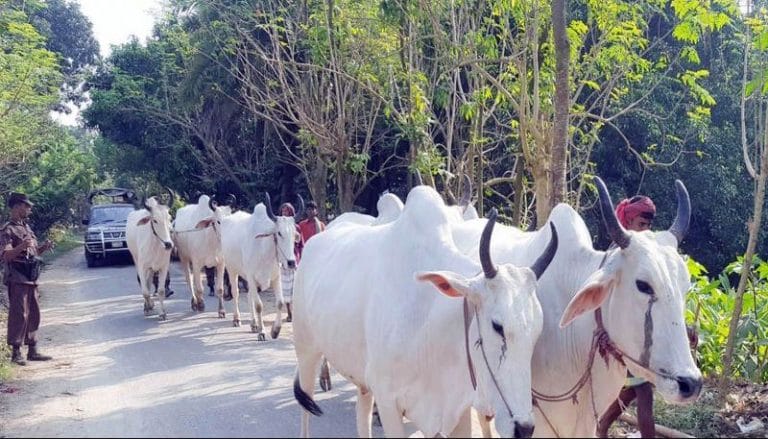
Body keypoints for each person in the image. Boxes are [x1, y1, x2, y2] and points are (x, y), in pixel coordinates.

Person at [597, 194, 698, 438]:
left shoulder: (652, 257)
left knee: (632, 392)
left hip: (646, 343)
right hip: (627, 342)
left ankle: (601, 427)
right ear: (628, 222)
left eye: (649, 225)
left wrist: (682, 329)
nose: (646, 230)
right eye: (642, 224)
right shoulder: (616, 257)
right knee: (644, 396)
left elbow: (663, 306)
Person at [1, 193, 54, 366]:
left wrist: (43, 248)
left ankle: (32, 349)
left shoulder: (26, 228)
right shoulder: (7, 230)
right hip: (17, 277)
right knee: (19, 314)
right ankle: (16, 352)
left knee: (33, 313)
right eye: (26, 206)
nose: (29, 209)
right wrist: (22, 246)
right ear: (16, 207)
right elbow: (7, 255)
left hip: (31, 276)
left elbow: (33, 252)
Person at [280, 202, 301, 322]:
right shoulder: (278, 227)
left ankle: (296, 312)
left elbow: (300, 242)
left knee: (295, 287)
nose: (284, 213)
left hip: (293, 259)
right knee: (285, 287)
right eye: (283, 211)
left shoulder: (295, 227)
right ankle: (289, 312)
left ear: (291, 213)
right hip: (283, 261)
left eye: (287, 211)